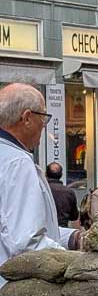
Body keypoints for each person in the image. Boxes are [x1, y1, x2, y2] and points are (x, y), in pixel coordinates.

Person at [0, 84, 79, 281]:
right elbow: (27, 241)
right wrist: (75, 261)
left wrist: (71, 238)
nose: (44, 125)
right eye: (43, 117)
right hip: (11, 286)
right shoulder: (17, 163)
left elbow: (12, 227)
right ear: (27, 118)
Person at [45, 162, 79, 228]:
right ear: (61, 175)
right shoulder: (69, 192)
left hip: (45, 228)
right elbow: (74, 216)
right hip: (62, 228)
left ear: (46, 174)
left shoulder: (41, 190)